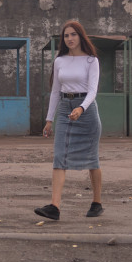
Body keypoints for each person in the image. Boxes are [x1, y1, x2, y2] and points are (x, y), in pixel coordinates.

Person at [35, 20, 103, 221]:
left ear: (81, 36)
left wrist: (81, 108)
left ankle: (97, 202)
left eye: (73, 34)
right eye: (66, 36)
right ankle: (54, 207)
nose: (70, 38)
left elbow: (93, 91)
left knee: (92, 159)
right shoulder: (60, 61)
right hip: (65, 108)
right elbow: (55, 91)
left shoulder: (91, 61)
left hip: (87, 111)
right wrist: (49, 119)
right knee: (59, 156)